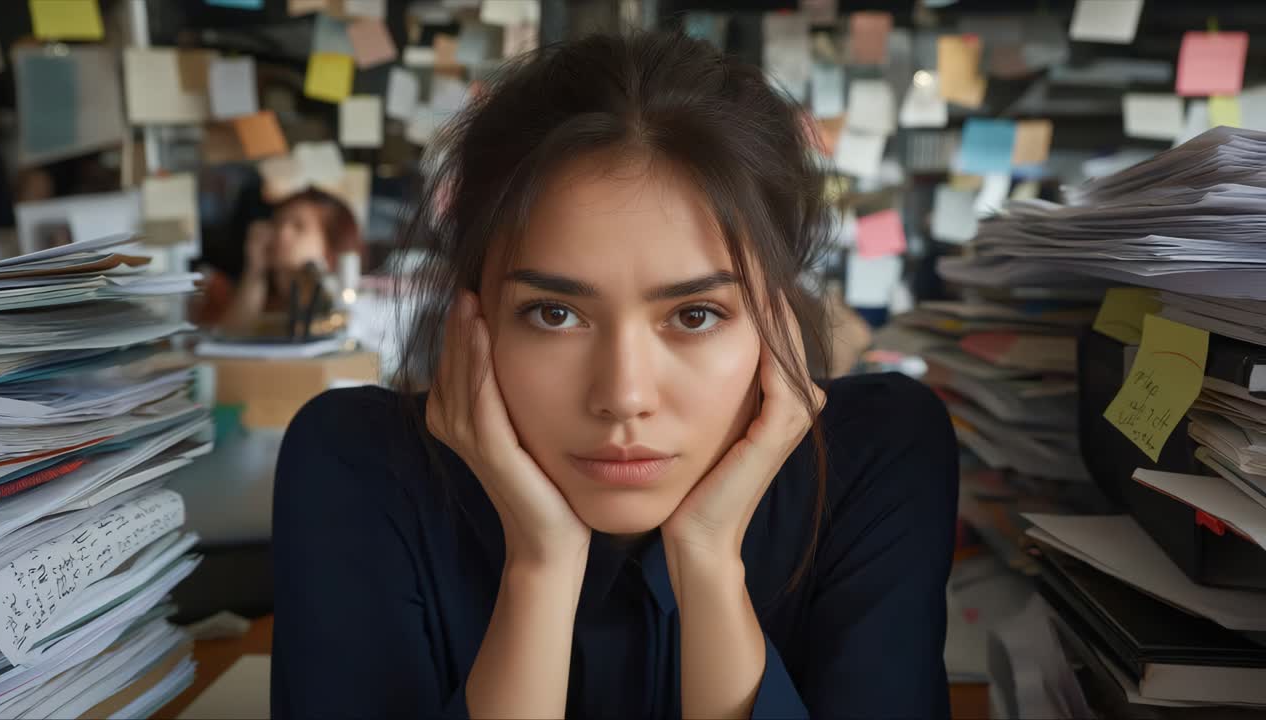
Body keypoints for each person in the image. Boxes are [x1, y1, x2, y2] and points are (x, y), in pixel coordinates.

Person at [272, 31, 958, 719]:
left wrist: (711, 564)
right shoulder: (359, 462)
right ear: (469, 317)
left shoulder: (877, 455)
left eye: (694, 315)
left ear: (775, 318)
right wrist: (539, 570)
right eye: (553, 314)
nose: (623, 396)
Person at [196, 187, 360, 333]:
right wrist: (254, 271)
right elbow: (229, 341)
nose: (281, 232)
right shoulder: (239, 296)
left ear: (330, 245)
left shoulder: (342, 304)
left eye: (298, 226)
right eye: (277, 222)